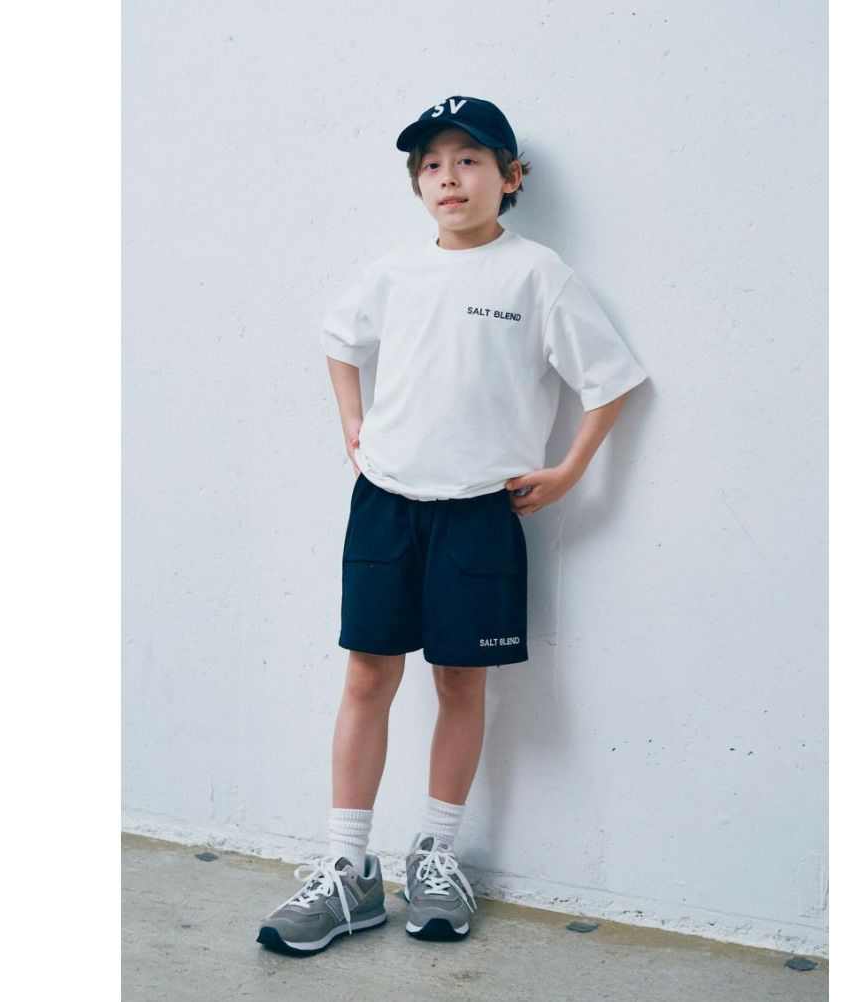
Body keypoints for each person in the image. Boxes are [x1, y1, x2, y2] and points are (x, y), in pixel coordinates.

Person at [257, 95, 648, 956]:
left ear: (510, 177)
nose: (449, 177)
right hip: (386, 502)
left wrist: (571, 470)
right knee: (367, 676)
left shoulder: (537, 274)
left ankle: (435, 855)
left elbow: (612, 379)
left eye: (470, 160)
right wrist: (350, 421)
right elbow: (339, 338)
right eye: (431, 164)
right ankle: (347, 870)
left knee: (460, 682)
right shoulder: (392, 273)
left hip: (480, 510)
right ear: (417, 186)